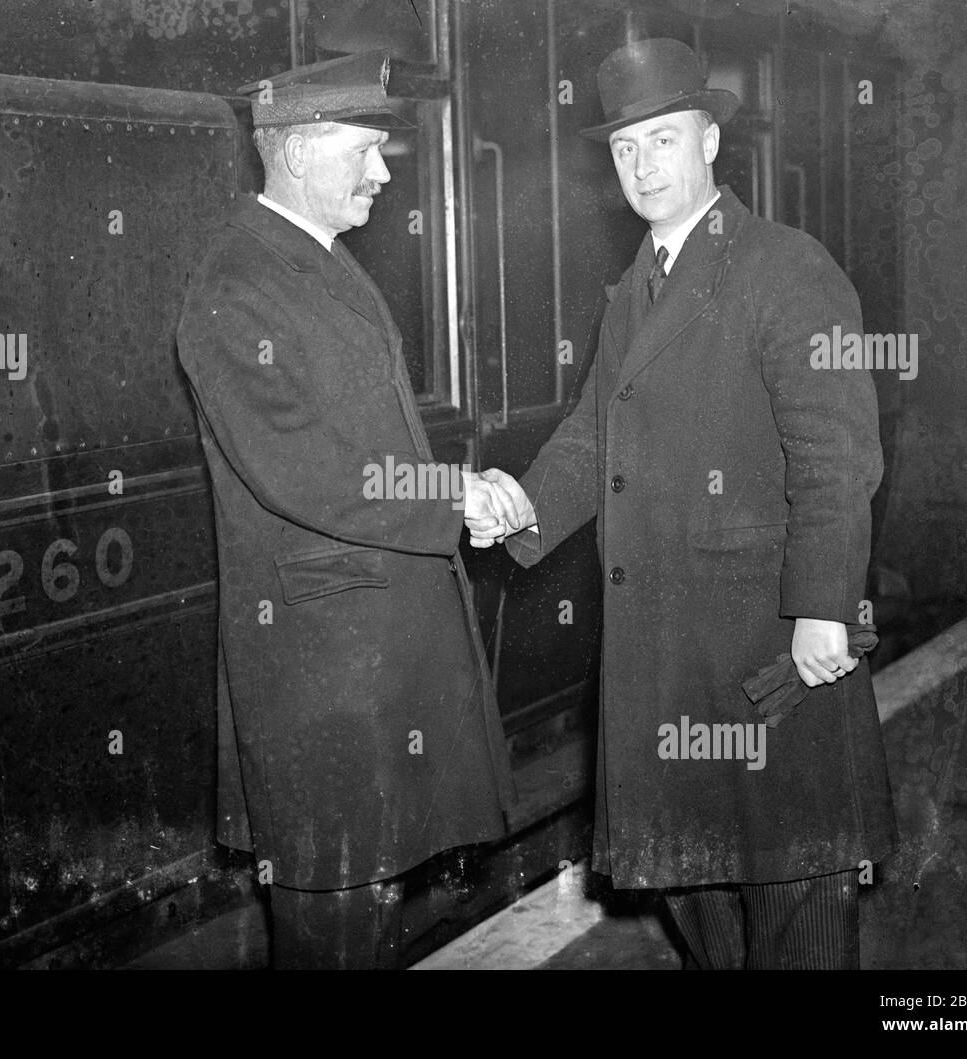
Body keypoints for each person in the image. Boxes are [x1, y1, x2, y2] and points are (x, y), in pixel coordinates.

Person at [472, 38, 897, 969]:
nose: (643, 166)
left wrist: (823, 606)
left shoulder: (786, 266)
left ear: (710, 140)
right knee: (698, 899)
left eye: (662, 139)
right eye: (625, 149)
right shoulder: (632, 292)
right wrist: (519, 508)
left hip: (768, 648)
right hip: (669, 656)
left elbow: (838, 454)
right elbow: (593, 435)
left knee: (795, 898)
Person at [175, 50, 517, 969]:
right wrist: (450, 499)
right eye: (366, 148)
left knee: (362, 926)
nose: (385, 169)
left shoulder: (316, 266)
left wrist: (453, 493)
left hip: (361, 670)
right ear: (293, 151)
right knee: (335, 935)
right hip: (322, 685)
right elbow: (313, 471)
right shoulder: (236, 284)